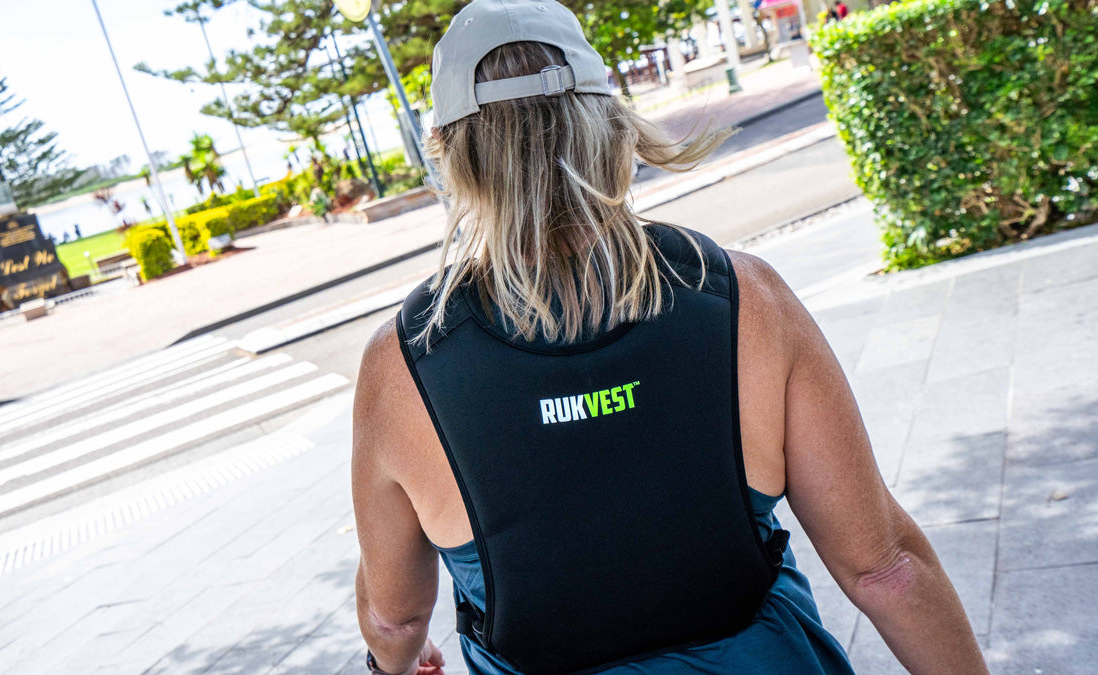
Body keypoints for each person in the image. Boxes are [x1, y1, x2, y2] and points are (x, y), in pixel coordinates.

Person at [351, 1, 988, 674]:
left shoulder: (406, 364)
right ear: (610, 122)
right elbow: (883, 568)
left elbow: (393, 617)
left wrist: (396, 658)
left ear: (453, 155)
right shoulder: (744, 298)